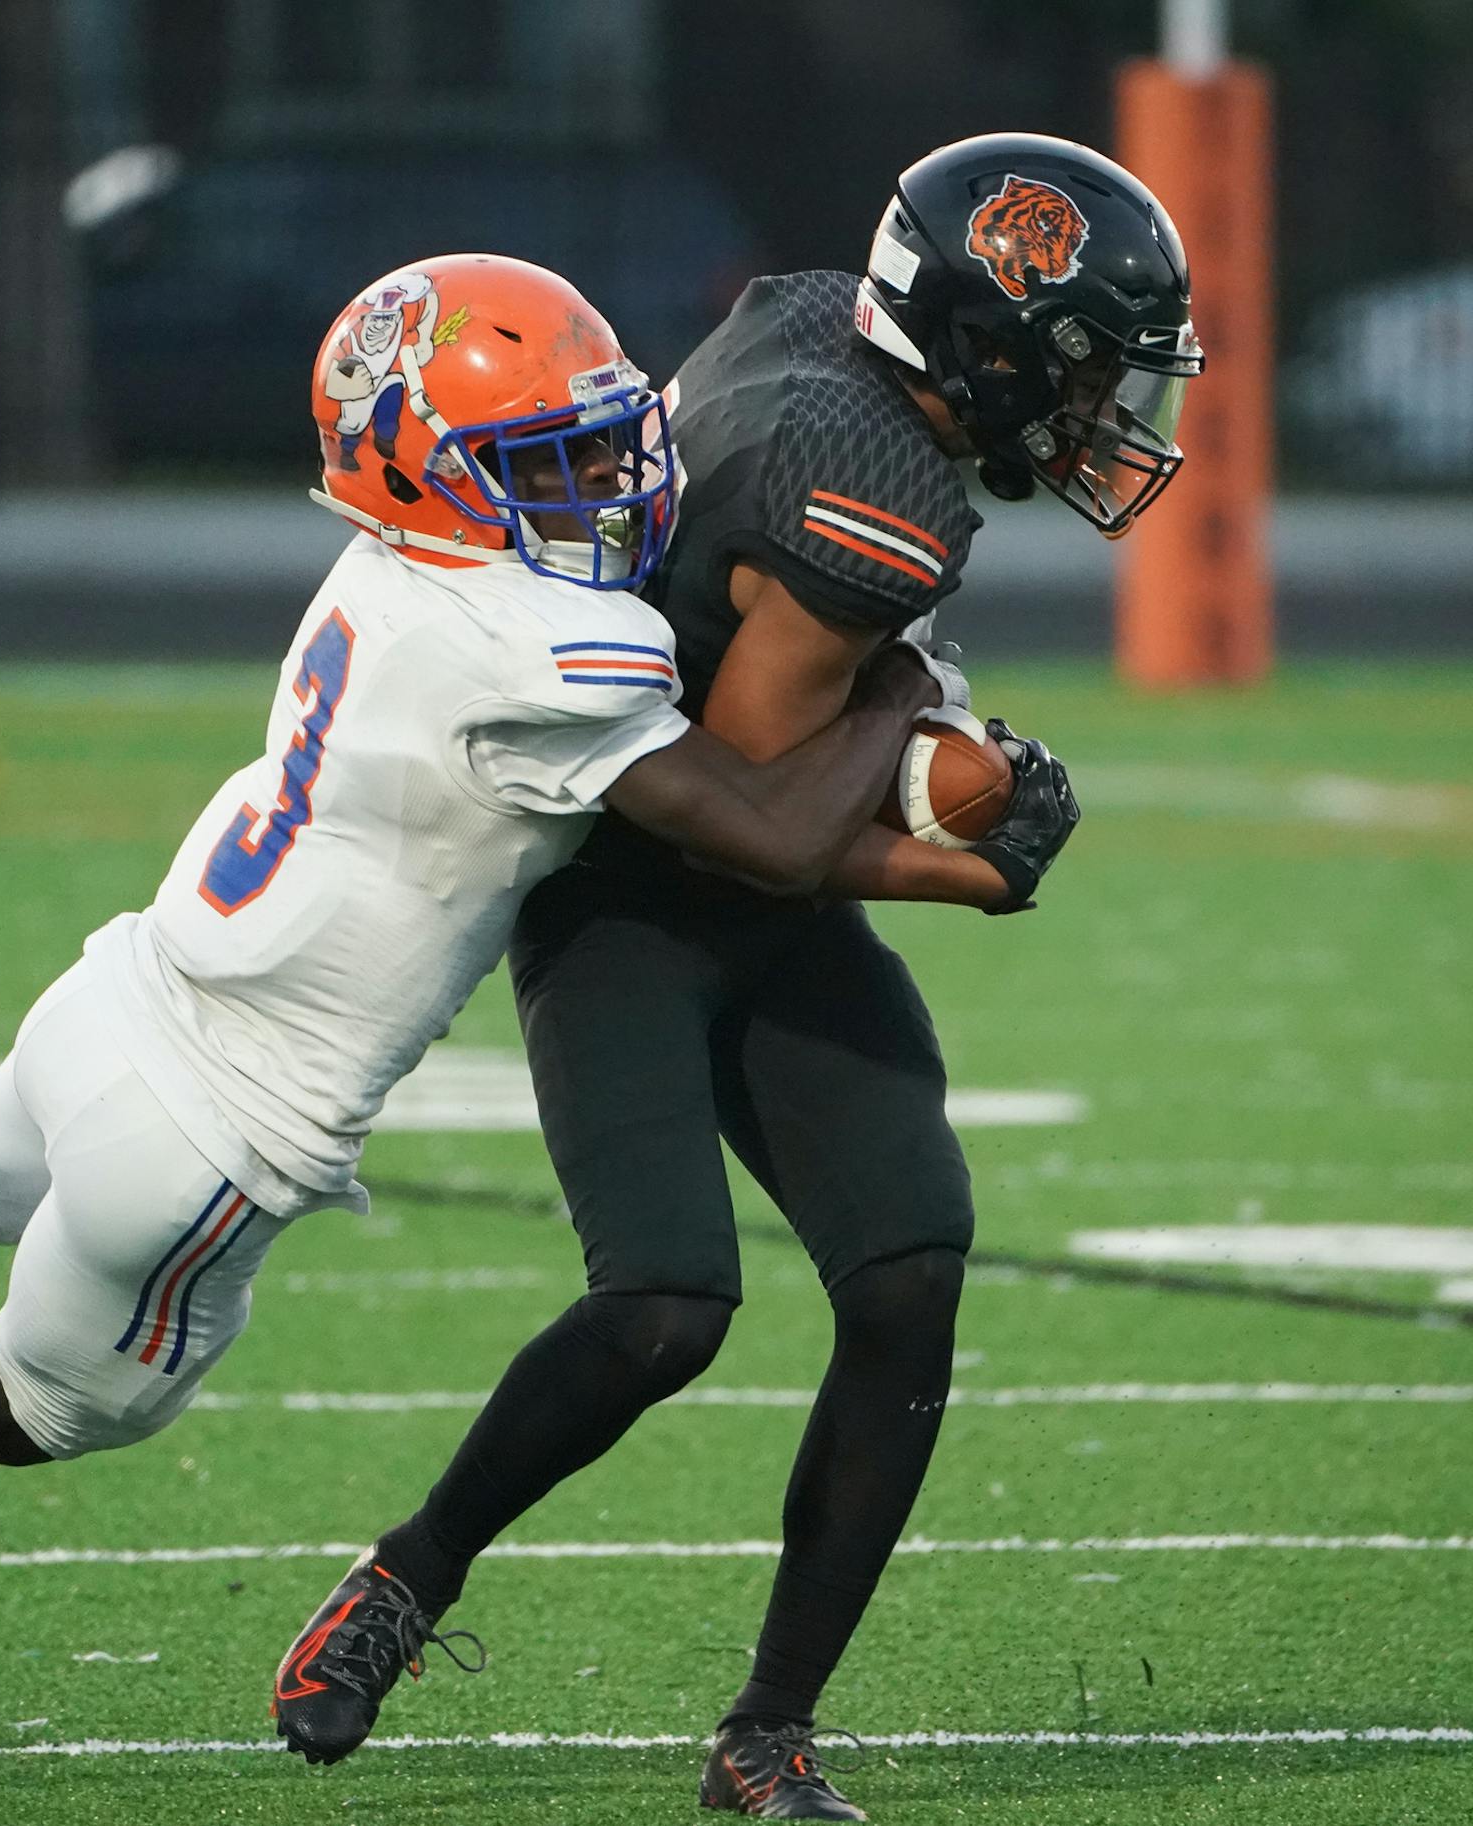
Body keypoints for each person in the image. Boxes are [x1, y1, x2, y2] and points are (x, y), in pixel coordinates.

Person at [0, 256, 1001, 1510]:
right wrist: (896, 685)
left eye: (597, 441)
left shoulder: (386, 567)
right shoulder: (555, 648)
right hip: (221, 1127)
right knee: (37, 1406)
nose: (610, 483)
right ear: (436, 475)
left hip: (121, 998)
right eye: (552, 464)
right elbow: (776, 839)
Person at [274, 135, 1197, 1820]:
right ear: (990, 348)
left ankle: (768, 1730)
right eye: (1084, 375)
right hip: (634, 891)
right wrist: (956, 849)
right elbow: (754, 831)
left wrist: (899, 732)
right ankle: (406, 1578)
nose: (1106, 416)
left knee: (911, 1270)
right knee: (666, 1305)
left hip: (739, 850)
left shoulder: (806, 319)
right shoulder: (871, 510)